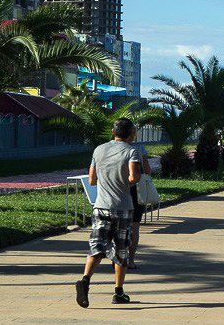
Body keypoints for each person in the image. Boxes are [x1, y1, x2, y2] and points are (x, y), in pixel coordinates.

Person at [75, 118, 142, 308]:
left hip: (101, 207)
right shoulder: (131, 151)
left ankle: (85, 281)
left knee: (97, 247)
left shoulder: (99, 150)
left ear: (113, 132)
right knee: (121, 249)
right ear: (131, 134)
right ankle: (119, 292)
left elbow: (92, 180)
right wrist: (126, 181)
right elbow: (133, 177)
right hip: (122, 208)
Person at [126, 129, 152, 270]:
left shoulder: (108, 148)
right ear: (132, 134)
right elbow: (147, 171)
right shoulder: (139, 148)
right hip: (136, 191)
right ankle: (130, 260)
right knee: (134, 225)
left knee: (117, 226)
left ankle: (117, 256)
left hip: (117, 190)